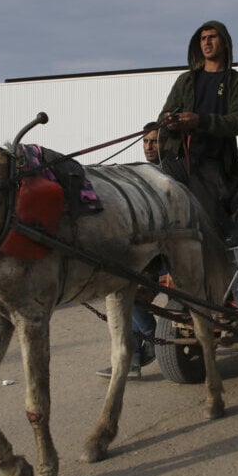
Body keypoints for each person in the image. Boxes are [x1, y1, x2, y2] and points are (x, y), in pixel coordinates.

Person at [157, 20, 238, 234]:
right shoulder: (186, 80)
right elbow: (162, 116)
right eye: (202, 38)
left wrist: (200, 120)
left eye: (212, 37)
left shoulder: (237, 81)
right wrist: (170, 121)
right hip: (178, 160)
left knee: (207, 226)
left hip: (213, 165)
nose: (206, 42)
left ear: (224, 43)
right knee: (158, 209)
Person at [96, 124, 163, 379]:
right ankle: (133, 359)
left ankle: (151, 338)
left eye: (154, 141)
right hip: (141, 250)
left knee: (129, 296)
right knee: (122, 292)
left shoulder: (169, 174)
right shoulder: (137, 172)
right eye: (146, 142)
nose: (149, 146)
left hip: (161, 253)